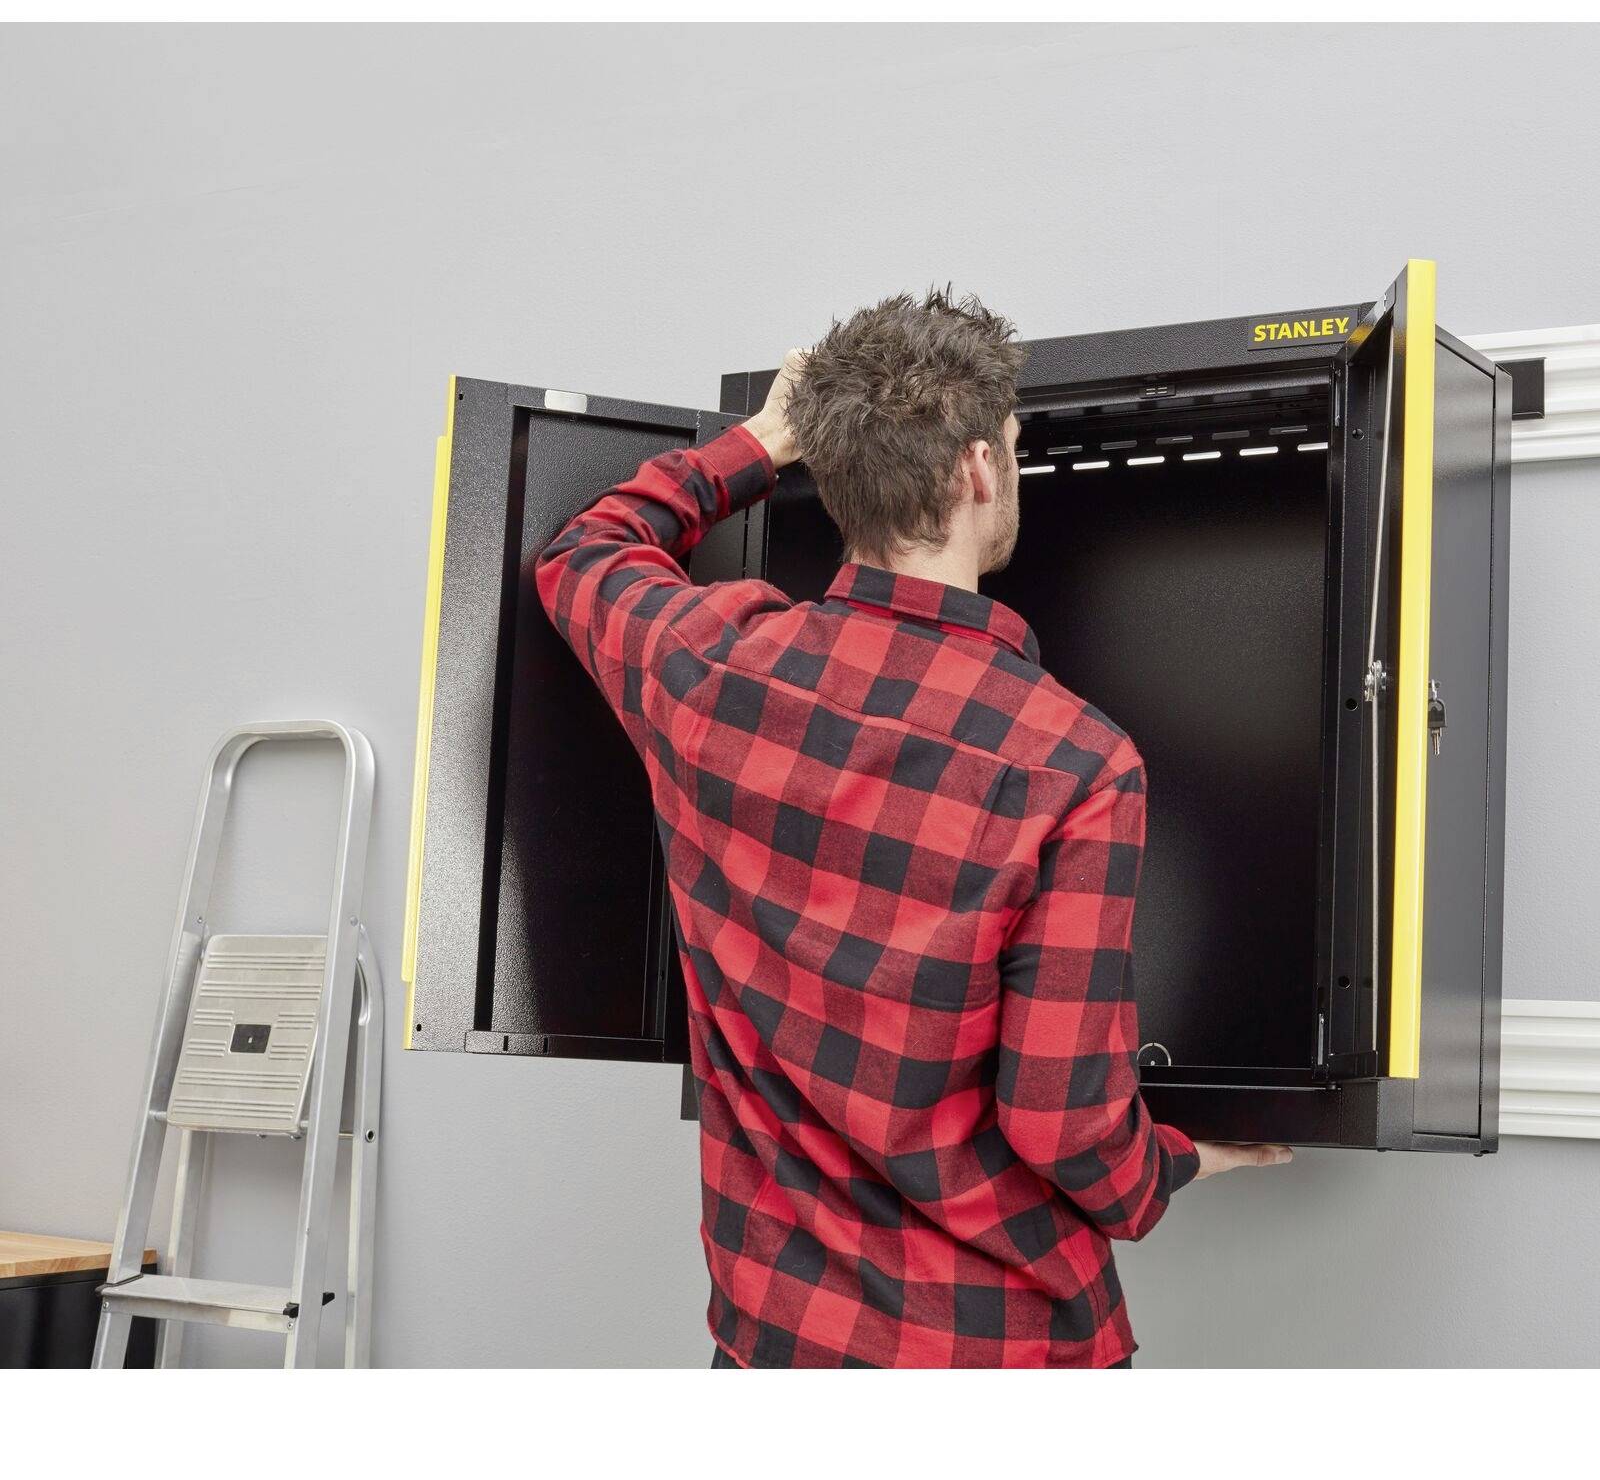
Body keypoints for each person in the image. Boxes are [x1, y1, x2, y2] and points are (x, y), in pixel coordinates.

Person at [537, 288, 1292, 1368]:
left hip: (778, 1338)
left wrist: (762, 438)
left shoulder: (708, 666)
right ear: (980, 467)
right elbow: (1063, 1123)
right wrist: (1172, 1164)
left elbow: (584, 550)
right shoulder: (1071, 763)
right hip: (996, 1348)